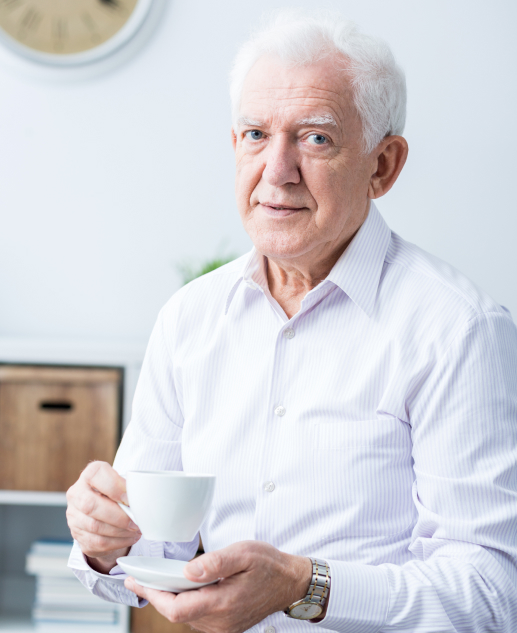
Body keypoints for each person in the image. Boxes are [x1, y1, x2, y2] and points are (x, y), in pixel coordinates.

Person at [66, 10, 517, 633]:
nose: (276, 170)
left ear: (383, 165)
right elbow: (152, 553)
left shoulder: (459, 331)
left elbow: (493, 593)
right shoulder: (189, 318)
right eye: (255, 134)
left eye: (315, 138)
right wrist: (104, 540)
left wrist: (306, 588)